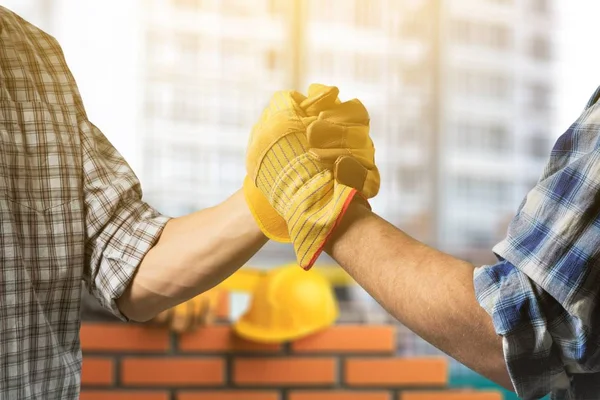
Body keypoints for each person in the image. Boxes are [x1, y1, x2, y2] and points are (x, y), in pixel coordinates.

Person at [0, 7, 591, 400]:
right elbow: (529, 324)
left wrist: (284, 190)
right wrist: (302, 196)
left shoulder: (32, 63)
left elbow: (118, 257)